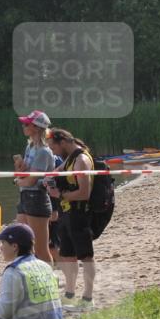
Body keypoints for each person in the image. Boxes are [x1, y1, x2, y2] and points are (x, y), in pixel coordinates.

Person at [45, 129, 97, 305]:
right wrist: (47, 180)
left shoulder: (81, 160)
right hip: (66, 213)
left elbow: (84, 193)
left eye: (53, 147)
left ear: (62, 142)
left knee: (86, 256)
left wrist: (60, 194)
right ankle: (69, 292)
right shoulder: (70, 158)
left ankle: (88, 295)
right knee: (67, 254)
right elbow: (55, 172)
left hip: (79, 214)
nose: (53, 152)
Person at [12, 110, 54, 263]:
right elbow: (25, 175)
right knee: (22, 243)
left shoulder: (43, 151)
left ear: (36, 127)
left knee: (41, 250)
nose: (23, 126)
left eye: (26, 124)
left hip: (37, 198)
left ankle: (50, 283)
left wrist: (17, 181)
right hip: (25, 197)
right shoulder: (30, 147)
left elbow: (31, 181)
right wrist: (20, 168)